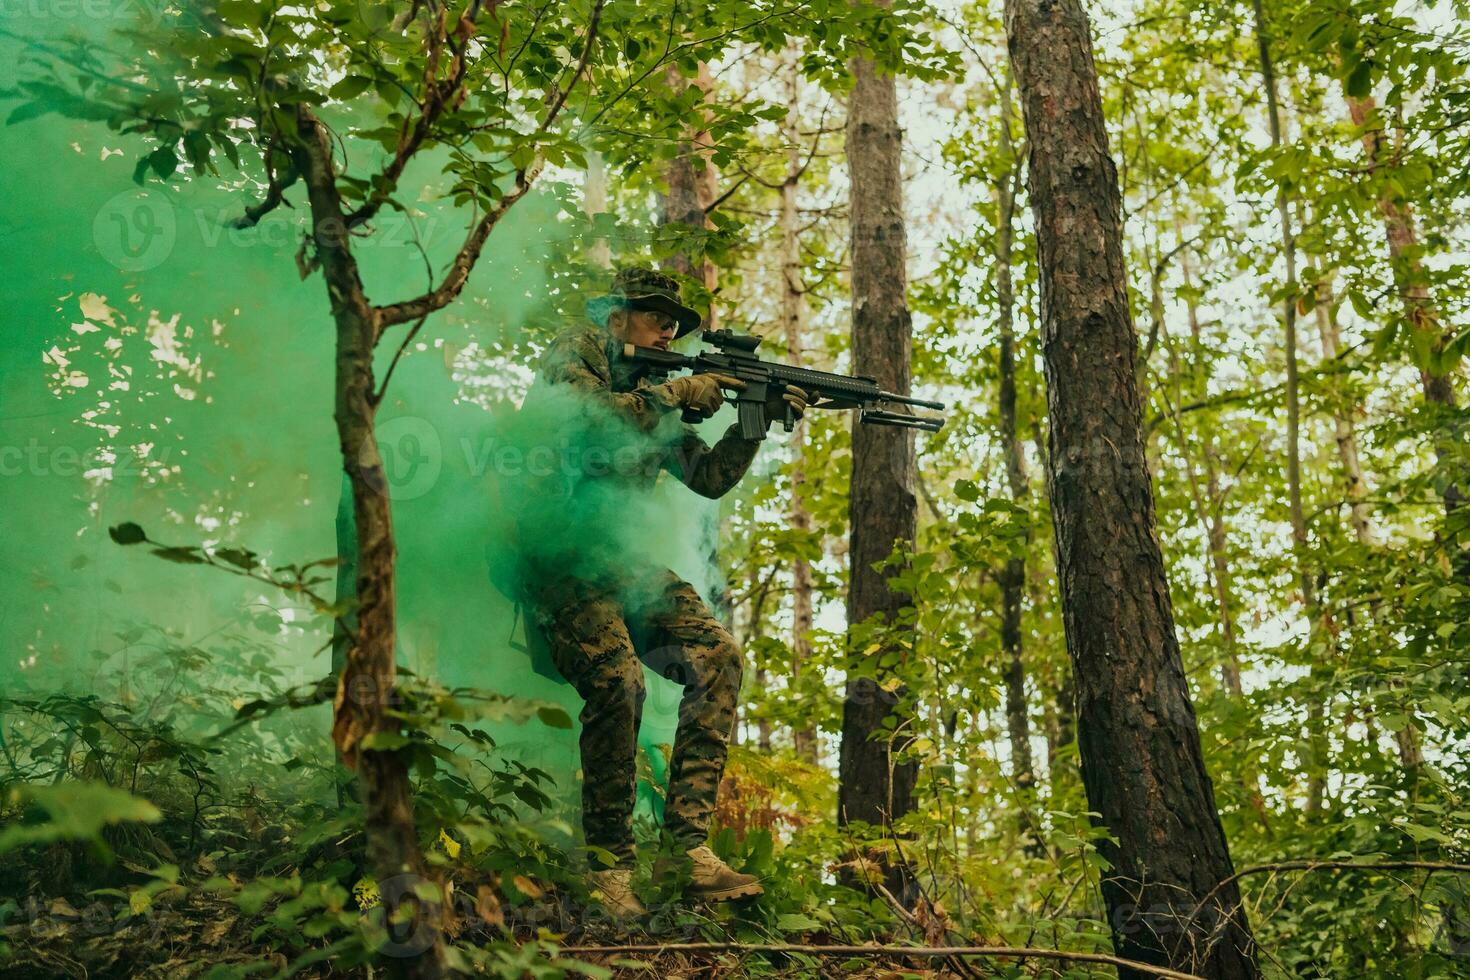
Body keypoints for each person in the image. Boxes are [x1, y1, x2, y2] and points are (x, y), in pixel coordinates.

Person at [519, 267, 805, 920]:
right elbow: (586, 424)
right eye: (654, 314)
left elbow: (706, 477)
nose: (668, 328)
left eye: (673, 321)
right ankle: (608, 867)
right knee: (620, 681)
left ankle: (686, 851)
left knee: (718, 659)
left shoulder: (653, 388)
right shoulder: (581, 349)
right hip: (556, 556)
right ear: (616, 317)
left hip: (623, 565)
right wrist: (678, 392)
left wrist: (754, 419)